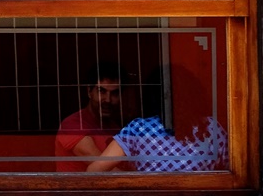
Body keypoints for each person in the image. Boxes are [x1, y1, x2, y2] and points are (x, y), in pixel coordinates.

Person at [87, 67, 229, 173]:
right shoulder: (210, 128)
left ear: (151, 96)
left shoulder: (138, 129)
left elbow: (94, 170)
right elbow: (232, 171)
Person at [55, 62, 124, 171]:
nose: (108, 99)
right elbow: (103, 167)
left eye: (114, 93)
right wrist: (136, 180)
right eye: (101, 91)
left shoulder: (114, 128)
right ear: (89, 91)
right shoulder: (72, 125)